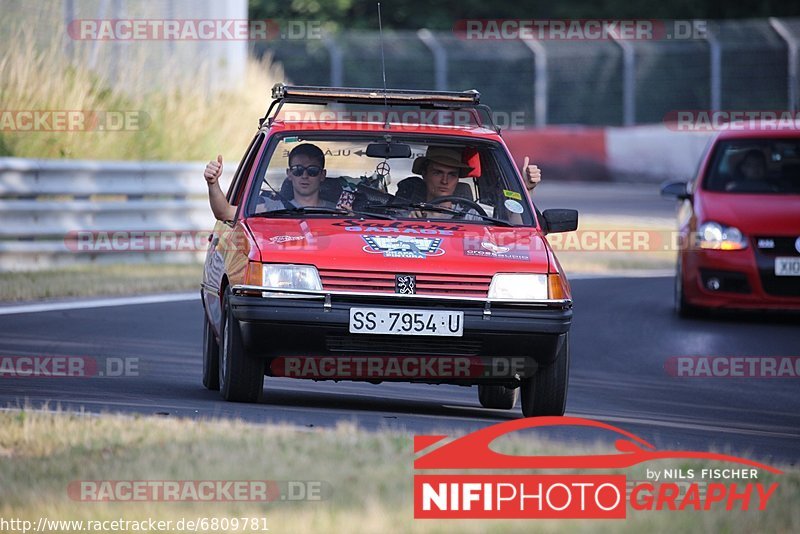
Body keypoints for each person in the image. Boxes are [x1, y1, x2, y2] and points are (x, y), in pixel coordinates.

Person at [204, 143, 334, 221]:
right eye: (298, 170)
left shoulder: (338, 212)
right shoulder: (270, 208)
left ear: (322, 175)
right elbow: (224, 212)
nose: (304, 176)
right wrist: (213, 183)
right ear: (289, 174)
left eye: (312, 171)